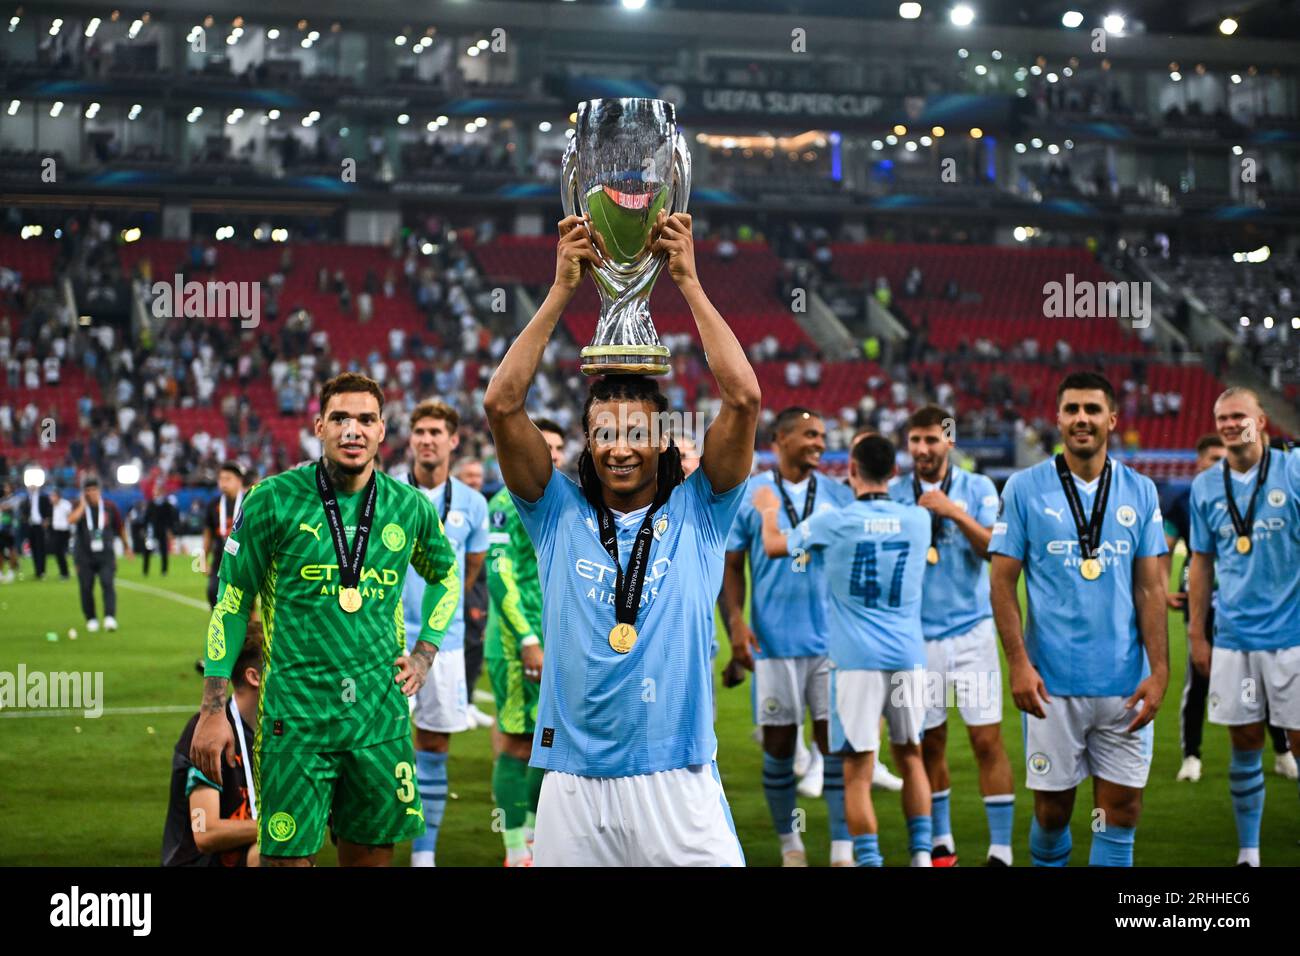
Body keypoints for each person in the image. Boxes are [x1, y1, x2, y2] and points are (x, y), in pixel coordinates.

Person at [483, 209, 760, 866]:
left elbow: (744, 399)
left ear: (662, 438)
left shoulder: (703, 511)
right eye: (606, 433)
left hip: (678, 776)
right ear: (588, 441)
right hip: (573, 786)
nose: (621, 449)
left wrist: (689, 282)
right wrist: (561, 290)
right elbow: (501, 404)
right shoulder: (554, 514)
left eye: (637, 433)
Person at [189, 372, 460, 867]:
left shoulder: (409, 507)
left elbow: (447, 577)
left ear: (382, 431)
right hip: (296, 719)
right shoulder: (271, 499)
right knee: (285, 862)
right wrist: (213, 709)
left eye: (365, 419)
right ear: (318, 426)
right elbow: (231, 602)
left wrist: (425, 653)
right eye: (340, 418)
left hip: (378, 718)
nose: (352, 430)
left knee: (372, 859)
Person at [990, 371, 1168, 867]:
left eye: (1092, 409)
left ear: (1112, 418)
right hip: (1051, 685)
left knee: (1122, 811)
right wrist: (1018, 665)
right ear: (1058, 418)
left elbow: (1152, 587)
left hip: (1124, 684)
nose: (1081, 419)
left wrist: (1160, 671)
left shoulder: (1141, 491)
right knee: (1052, 814)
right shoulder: (1024, 489)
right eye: (1072, 410)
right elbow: (1002, 582)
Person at [754, 434, 933, 866]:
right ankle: (923, 858)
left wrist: (768, 511)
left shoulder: (833, 520)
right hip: (909, 656)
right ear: (893, 471)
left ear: (851, 469)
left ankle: (868, 861)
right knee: (911, 757)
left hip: (856, 662)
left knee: (857, 769)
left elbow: (774, 546)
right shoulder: (918, 521)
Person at [722, 407, 855, 866]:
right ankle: (790, 846)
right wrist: (736, 624)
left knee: (833, 744)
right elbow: (731, 567)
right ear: (780, 438)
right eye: (811, 435)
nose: (820, 442)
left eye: (822, 434)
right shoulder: (751, 494)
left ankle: (842, 848)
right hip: (773, 643)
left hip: (831, 644)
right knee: (779, 748)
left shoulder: (840, 495)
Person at [889, 405, 1014, 866]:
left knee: (986, 740)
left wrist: (951, 513)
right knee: (930, 741)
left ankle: (1000, 848)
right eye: (915, 441)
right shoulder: (896, 493)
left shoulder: (978, 488)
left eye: (931, 440)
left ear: (949, 441)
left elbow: (994, 549)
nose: (922, 449)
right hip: (916, 639)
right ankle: (941, 842)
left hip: (971, 633)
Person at [1188, 388, 1300, 866]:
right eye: (1223, 418)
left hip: (1293, 636)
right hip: (1234, 638)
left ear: (1262, 423)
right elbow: (1201, 561)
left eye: (1239, 417)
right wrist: (1197, 632)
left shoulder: (1293, 471)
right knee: (1245, 740)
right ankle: (1249, 852)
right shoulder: (1205, 486)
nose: (1231, 425)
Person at [1163, 434, 1296, 782]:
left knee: (1262, 685)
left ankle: (1281, 750)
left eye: (1223, 457)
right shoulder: (1186, 499)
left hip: (1250, 607)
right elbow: (1167, 546)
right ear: (1198, 462)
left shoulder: (1257, 492)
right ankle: (1191, 755)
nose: (1218, 464)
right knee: (1199, 680)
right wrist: (1164, 584)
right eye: (1211, 458)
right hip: (1204, 601)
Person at [401, 399, 489, 868]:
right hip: (388, 642)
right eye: (420, 432)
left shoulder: (473, 504)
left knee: (434, 744)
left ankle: (423, 852)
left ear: (453, 441)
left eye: (436, 432)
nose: (427, 439)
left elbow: (469, 574)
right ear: (410, 438)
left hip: (445, 645)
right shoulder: (386, 493)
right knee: (378, 742)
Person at [484, 418, 566, 866]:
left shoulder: (560, 502)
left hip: (558, 641)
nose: (550, 455)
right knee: (519, 742)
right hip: (519, 646)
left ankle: (535, 835)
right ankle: (515, 850)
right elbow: (500, 575)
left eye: (556, 447)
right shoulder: (505, 504)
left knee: (550, 741)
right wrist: (529, 638)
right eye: (543, 446)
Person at [163, 625, 263, 867]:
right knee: (274, 852)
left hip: (244, 853)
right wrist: (279, 827)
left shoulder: (280, 731)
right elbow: (206, 832)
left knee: (291, 851)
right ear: (254, 677)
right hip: (200, 862)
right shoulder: (208, 733)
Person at [455, 457, 494, 730]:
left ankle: (466, 702)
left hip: (482, 586)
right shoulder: (454, 508)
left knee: (476, 646)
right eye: (469, 475)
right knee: (467, 646)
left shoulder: (483, 507)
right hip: (463, 587)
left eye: (478, 476)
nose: (475, 481)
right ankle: (460, 704)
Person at [67, 477, 132, 633]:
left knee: (107, 583)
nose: (91, 493)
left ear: (99, 490)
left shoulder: (109, 507)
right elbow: (70, 520)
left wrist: (126, 547)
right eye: (88, 490)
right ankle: (91, 618)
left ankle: (110, 617)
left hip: (106, 554)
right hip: (84, 555)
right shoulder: (79, 507)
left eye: (94, 489)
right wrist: (82, 505)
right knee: (86, 587)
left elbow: (120, 528)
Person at [201, 462, 247, 610]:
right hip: (220, 561)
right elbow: (208, 534)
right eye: (221, 479)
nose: (223, 483)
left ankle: (251, 633)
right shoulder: (214, 505)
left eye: (228, 479)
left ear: (239, 481)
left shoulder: (250, 502)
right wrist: (203, 559)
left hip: (244, 561)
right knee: (213, 593)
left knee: (246, 604)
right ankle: (219, 631)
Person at [19, 478, 51, 580]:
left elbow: (48, 510)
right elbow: (24, 512)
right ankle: (37, 571)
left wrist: (46, 520)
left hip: (40, 525)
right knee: (33, 548)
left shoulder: (43, 497)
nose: (32, 487)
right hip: (30, 525)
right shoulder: (27, 499)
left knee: (41, 549)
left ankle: (42, 571)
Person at [143, 486, 178, 577]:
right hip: (151, 531)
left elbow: (170, 519)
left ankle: (164, 570)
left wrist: (170, 530)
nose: (155, 493)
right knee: (147, 550)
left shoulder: (166, 505)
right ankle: (145, 570)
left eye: (157, 491)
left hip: (162, 530)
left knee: (164, 551)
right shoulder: (151, 504)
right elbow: (146, 518)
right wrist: (145, 529)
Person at [48, 487, 72, 580]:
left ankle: (65, 573)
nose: (51, 498)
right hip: (56, 531)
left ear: (58, 496)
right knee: (58, 553)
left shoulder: (65, 505)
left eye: (53, 496)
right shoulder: (53, 506)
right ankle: (63, 572)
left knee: (60, 552)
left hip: (64, 531)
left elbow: (70, 516)